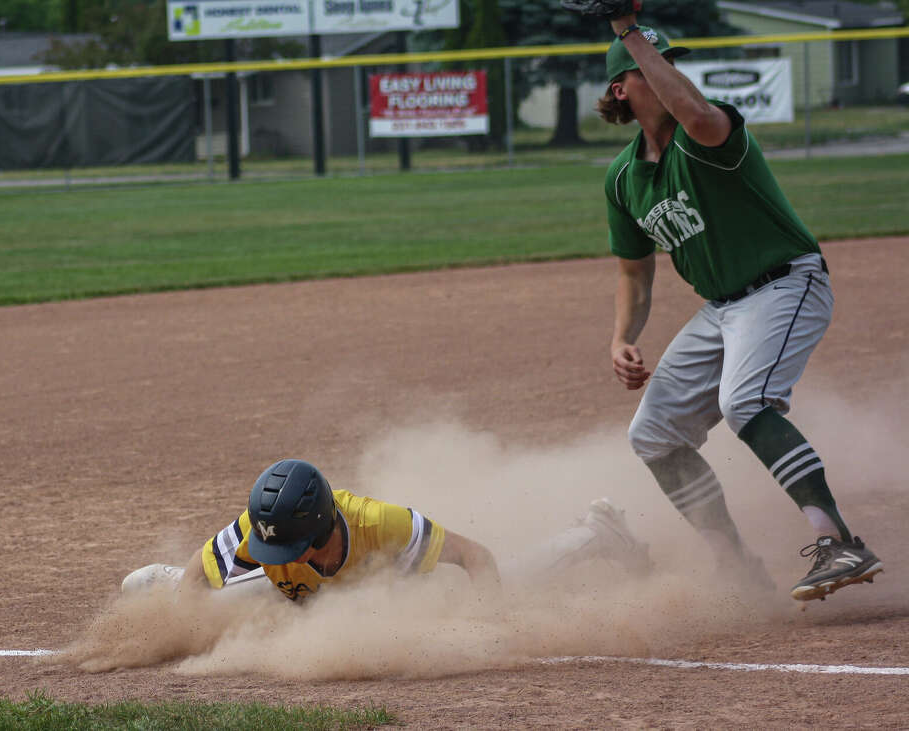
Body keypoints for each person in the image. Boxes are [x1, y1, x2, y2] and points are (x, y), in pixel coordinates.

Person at [594, 12, 883, 600]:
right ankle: (735, 565)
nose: (666, 68)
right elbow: (634, 271)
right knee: (653, 434)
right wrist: (622, 336)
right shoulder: (625, 178)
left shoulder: (710, 133)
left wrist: (630, 31)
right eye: (652, 65)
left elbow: (695, 113)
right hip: (723, 309)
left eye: (671, 60)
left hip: (785, 284)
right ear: (621, 88)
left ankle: (840, 543)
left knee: (744, 401)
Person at [121, 458, 652, 602]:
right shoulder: (264, 526)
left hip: (393, 588)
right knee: (160, 592)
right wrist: (184, 605)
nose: (274, 548)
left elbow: (477, 558)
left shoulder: (383, 526)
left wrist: (490, 625)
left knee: (510, 579)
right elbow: (200, 565)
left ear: (321, 524)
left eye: (286, 543)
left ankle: (596, 533)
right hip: (307, 594)